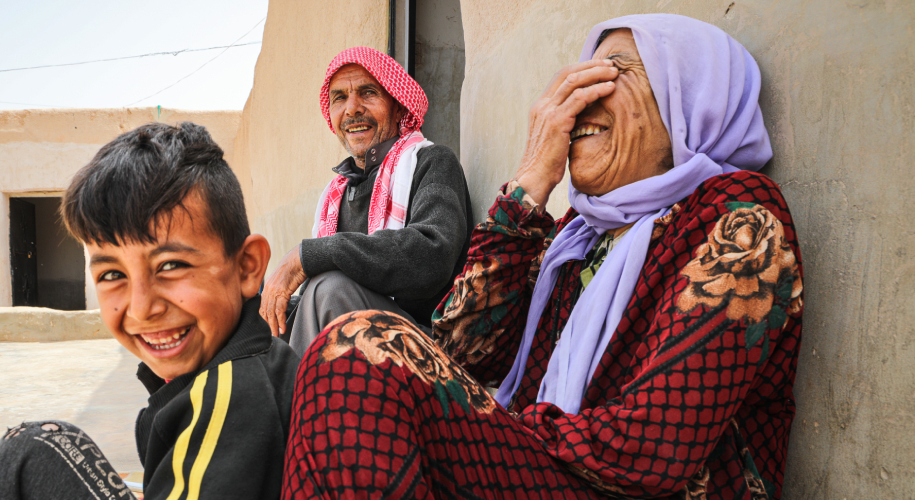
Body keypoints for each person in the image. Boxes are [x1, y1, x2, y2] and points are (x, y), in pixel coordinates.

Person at [283, 14, 803, 499]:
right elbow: (461, 349)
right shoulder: (574, 239)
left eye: (611, 72)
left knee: (361, 344)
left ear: (689, 100)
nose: (575, 99)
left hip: (624, 484)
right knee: (333, 362)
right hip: (546, 466)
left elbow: (653, 444)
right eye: (578, 77)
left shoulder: (740, 216)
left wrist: (498, 427)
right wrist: (530, 184)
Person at [0, 122, 299, 500]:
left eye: (170, 266)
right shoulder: (240, 368)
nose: (142, 308)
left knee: (29, 451)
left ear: (247, 267)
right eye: (112, 274)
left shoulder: (231, 399)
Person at [259, 46, 473, 355]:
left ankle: (302, 389)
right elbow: (308, 305)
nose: (352, 109)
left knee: (331, 289)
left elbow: (431, 258)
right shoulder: (336, 195)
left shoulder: (432, 162)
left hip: (428, 350)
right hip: (359, 338)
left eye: (368, 93)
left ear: (398, 107)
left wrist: (310, 254)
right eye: (340, 98)